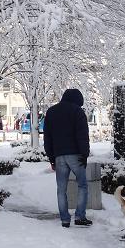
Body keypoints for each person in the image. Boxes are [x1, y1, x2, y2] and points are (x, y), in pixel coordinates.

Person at [43, 88, 92, 228]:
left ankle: (65, 219)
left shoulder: (51, 112)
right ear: (77, 100)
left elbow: (48, 138)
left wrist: (51, 158)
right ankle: (80, 216)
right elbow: (82, 136)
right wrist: (85, 155)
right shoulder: (78, 112)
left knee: (61, 189)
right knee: (82, 185)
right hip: (76, 155)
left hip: (59, 156)